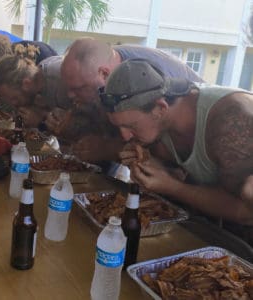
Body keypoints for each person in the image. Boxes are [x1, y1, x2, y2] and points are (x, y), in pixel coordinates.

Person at [100, 59, 253, 245]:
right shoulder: (161, 123)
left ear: (161, 107)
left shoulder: (231, 124)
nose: (125, 137)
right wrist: (156, 169)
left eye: (131, 126)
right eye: (120, 127)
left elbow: (245, 213)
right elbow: (188, 177)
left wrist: (172, 186)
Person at [58, 37, 204, 162]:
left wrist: (108, 149)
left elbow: (154, 141)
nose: (70, 95)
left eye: (79, 88)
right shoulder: (105, 66)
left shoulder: (146, 77)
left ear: (103, 74)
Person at [0, 55, 70, 128]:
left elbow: (76, 128)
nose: (14, 104)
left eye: (15, 98)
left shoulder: (58, 81)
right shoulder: (39, 76)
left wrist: (40, 121)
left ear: (26, 84)